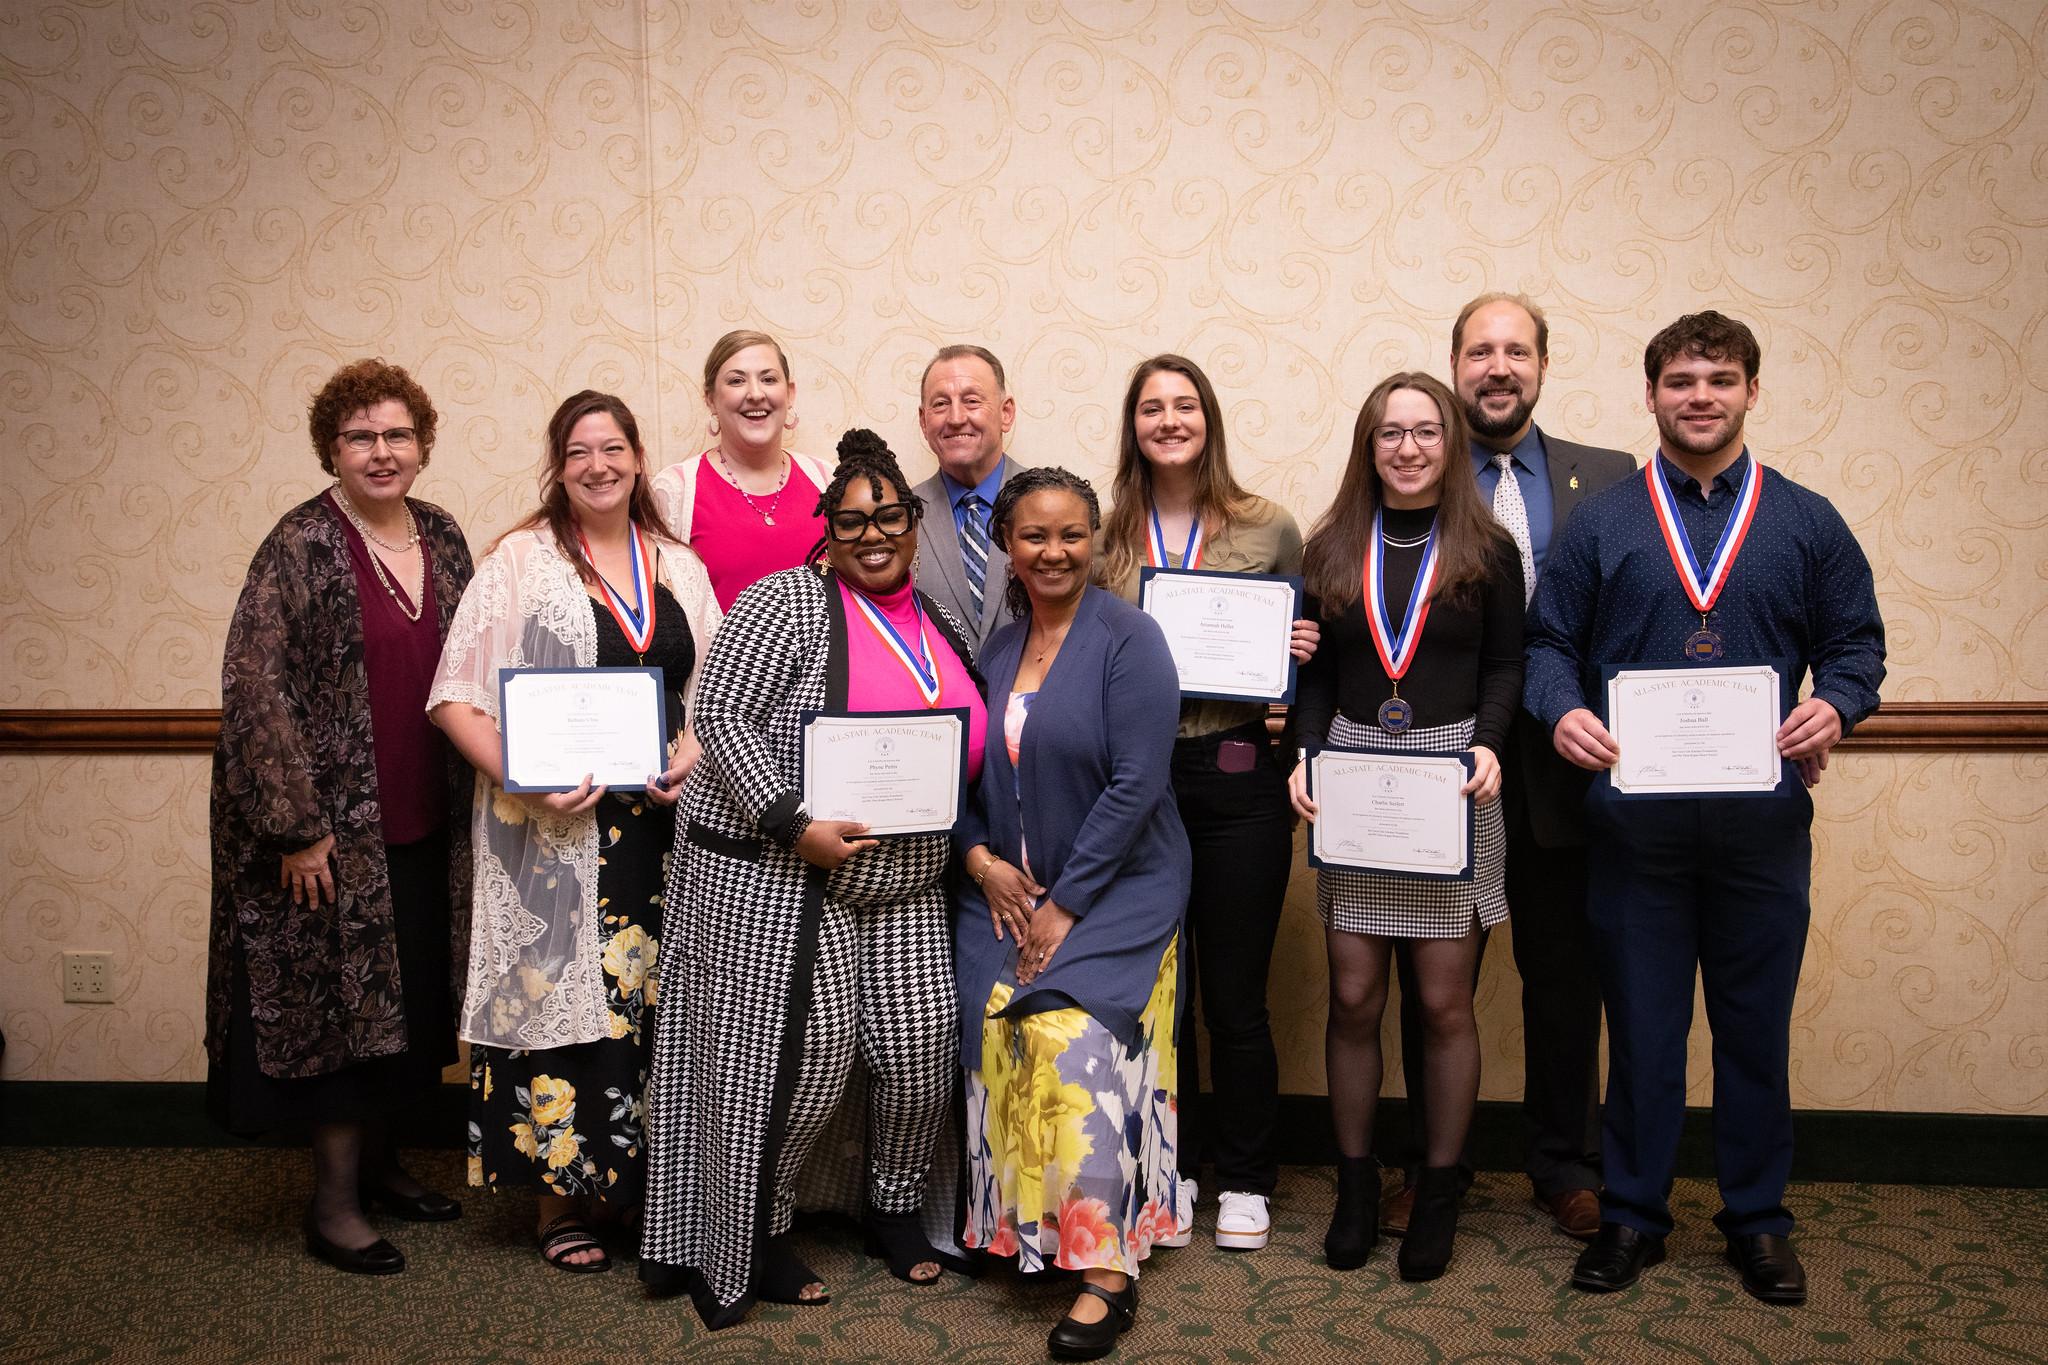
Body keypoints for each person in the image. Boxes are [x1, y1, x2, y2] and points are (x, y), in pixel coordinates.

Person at [1526, 312, 1884, 1304]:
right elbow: (1548, 644)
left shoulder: (1805, 519)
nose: (1697, 396)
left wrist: (1834, 705)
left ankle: (1756, 1221)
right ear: (1648, 395)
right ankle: (1632, 1216)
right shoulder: (1600, 521)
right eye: (1678, 379)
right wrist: (1560, 713)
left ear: (1749, 393)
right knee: (1639, 1034)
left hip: (1757, 832)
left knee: (1751, 1032)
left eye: (1717, 379)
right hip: (1631, 835)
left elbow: (1855, 644)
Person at [639, 429, 988, 1328]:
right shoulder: (784, 601)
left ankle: (895, 1205)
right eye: (850, 520)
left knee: (918, 1058)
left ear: (915, 520)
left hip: (908, 884)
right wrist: (794, 824)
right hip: (798, 880)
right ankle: (758, 1224)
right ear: (826, 529)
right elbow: (717, 710)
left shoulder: (940, 619)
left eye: (889, 516)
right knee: (810, 1064)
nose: (872, 534)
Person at [428, 390, 720, 1274]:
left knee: (651, 1016)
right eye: (578, 451)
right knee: (559, 1009)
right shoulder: (519, 562)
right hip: (552, 831)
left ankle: (636, 1193)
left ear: (639, 458)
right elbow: (453, 697)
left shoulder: (678, 563)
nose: (598, 464)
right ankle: (559, 1203)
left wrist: (690, 757)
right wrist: (527, 772)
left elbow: (711, 691)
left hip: (659, 832)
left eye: (613, 447)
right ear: (558, 466)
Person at [206, 358, 474, 1275]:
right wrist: (295, 825)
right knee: (341, 1019)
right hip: (330, 833)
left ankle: (387, 1165)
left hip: (427, 811)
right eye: (362, 436)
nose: (382, 451)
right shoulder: (301, 543)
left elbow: (476, 662)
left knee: (407, 1004)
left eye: (398, 434)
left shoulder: (442, 535)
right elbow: (253, 683)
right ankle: (333, 1204)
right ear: (332, 446)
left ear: (422, 443)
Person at [1381, 295, 1635, 1243]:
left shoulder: (1608, 479)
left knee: (1566, 976)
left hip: (1568, 768)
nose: (1499, 366)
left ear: (1541, 365)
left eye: (1516, 351)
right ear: (1454, 364)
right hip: (1442, 768)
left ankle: (1565, 1164)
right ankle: (1430, 1165)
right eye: (1480, 350)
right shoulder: (1416, 475)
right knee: (1430, 979)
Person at [954, 467, 1193, 1362]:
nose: (1052, 552)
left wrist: (1065, 906)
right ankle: (1017, 1230)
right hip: (1009, 891)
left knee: (1066, 1037)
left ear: (1095, 541)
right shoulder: (994, 650)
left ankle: (1104, 1268)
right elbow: (965, 776)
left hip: (1118, 888)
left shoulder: (1133, 638)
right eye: (1033, 536)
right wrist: (979, 862)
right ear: (1006, 545)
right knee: (982, 1017)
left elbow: (1136, 785)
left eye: (1070, 535)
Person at [1289, 372, 1525, 1281]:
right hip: (1352, 771)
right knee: (1355, 998)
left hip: (1454, 779)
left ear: (1450, 441)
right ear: (1369, 444)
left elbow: (1506, 664)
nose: (1410, 447)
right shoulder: (1330, 545)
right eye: (1391, 433)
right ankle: (1356, 1185)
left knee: (1442, 1002)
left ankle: (1436, 1192)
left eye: (1427, 430)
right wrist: (1305, 752)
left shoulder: (1488, 548)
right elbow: (1313, 673)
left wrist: (1491, 744)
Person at [1095, 354, 1318, 1253]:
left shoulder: (1269, 526)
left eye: (1185, 405)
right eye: (1152, 407)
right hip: (1138, 784)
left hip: (1236, 779)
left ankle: (1249, 1179)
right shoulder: (1106, 532)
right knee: (1160, 988)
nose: (1170, 420)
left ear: (1209, 418)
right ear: (1134, 425)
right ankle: (1167, 1167)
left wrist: (1294, 652)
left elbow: (1299, 650)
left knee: (1234, 991)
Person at [651, 328, 831, 609]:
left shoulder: (826, 481)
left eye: (769, 379)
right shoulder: (675, 491)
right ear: (710, 398)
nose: (756, 394)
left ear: (790, 393)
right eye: (736, 381)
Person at [909, 343, 1020, 656]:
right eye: (941, 404)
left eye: (972, 401)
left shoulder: (1050, 504)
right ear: (923, 420)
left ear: (1006, 412)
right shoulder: (900, 517)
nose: (956, 418)